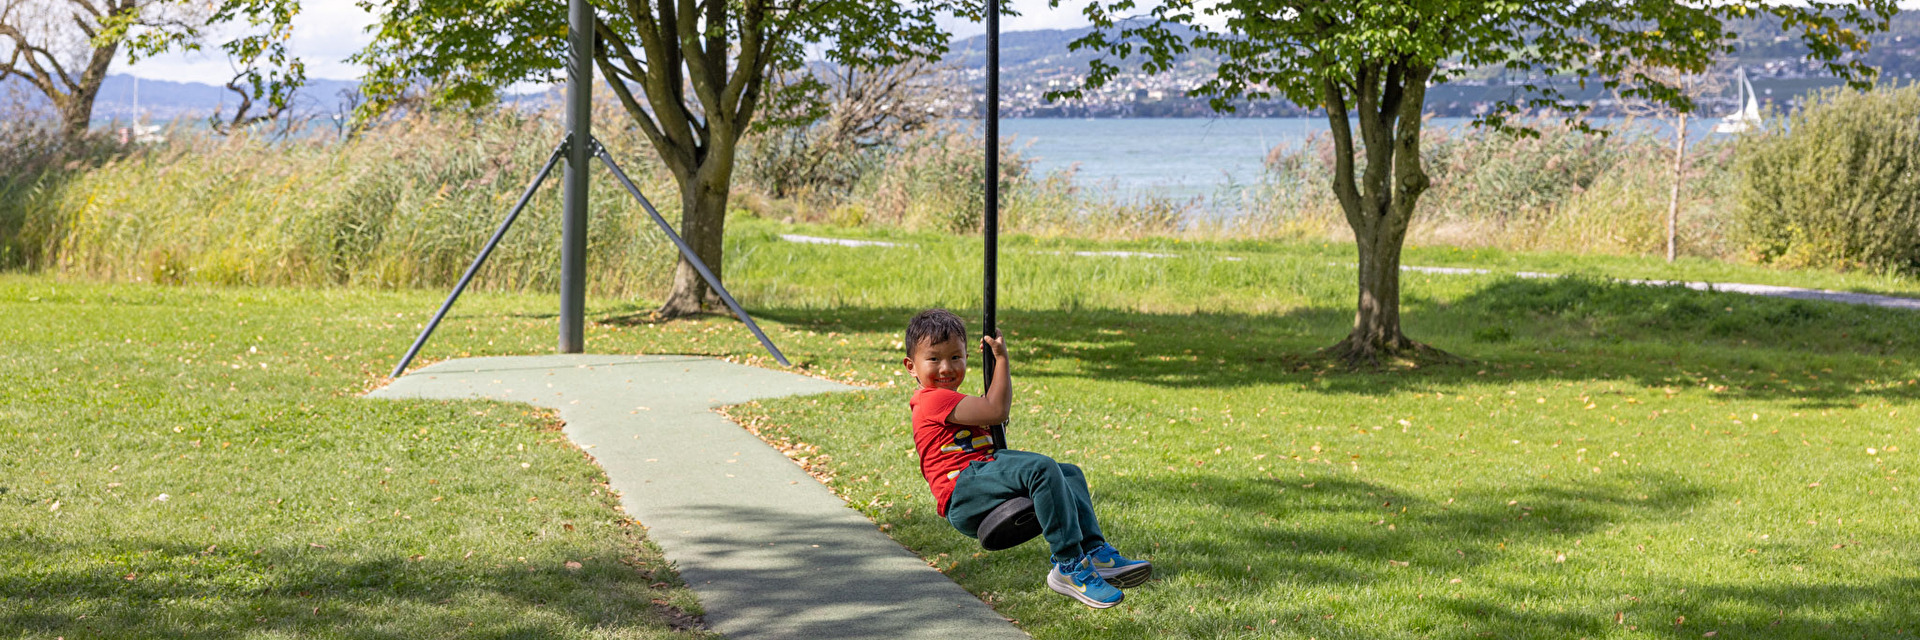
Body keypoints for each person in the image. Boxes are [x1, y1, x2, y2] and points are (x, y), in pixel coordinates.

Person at [902, 308, 1151, 609]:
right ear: (911, 366)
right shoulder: (932, 399)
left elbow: (993, 409)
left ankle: (1095, 550)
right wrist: (1003, 359)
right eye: (934, 359)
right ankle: (1070, 565)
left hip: (981, 474)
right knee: (1041, 469)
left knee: (1068, 474)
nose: (946, 367)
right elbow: (996, 410)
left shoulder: (948, 398)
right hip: (963, 490)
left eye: (956, 357)